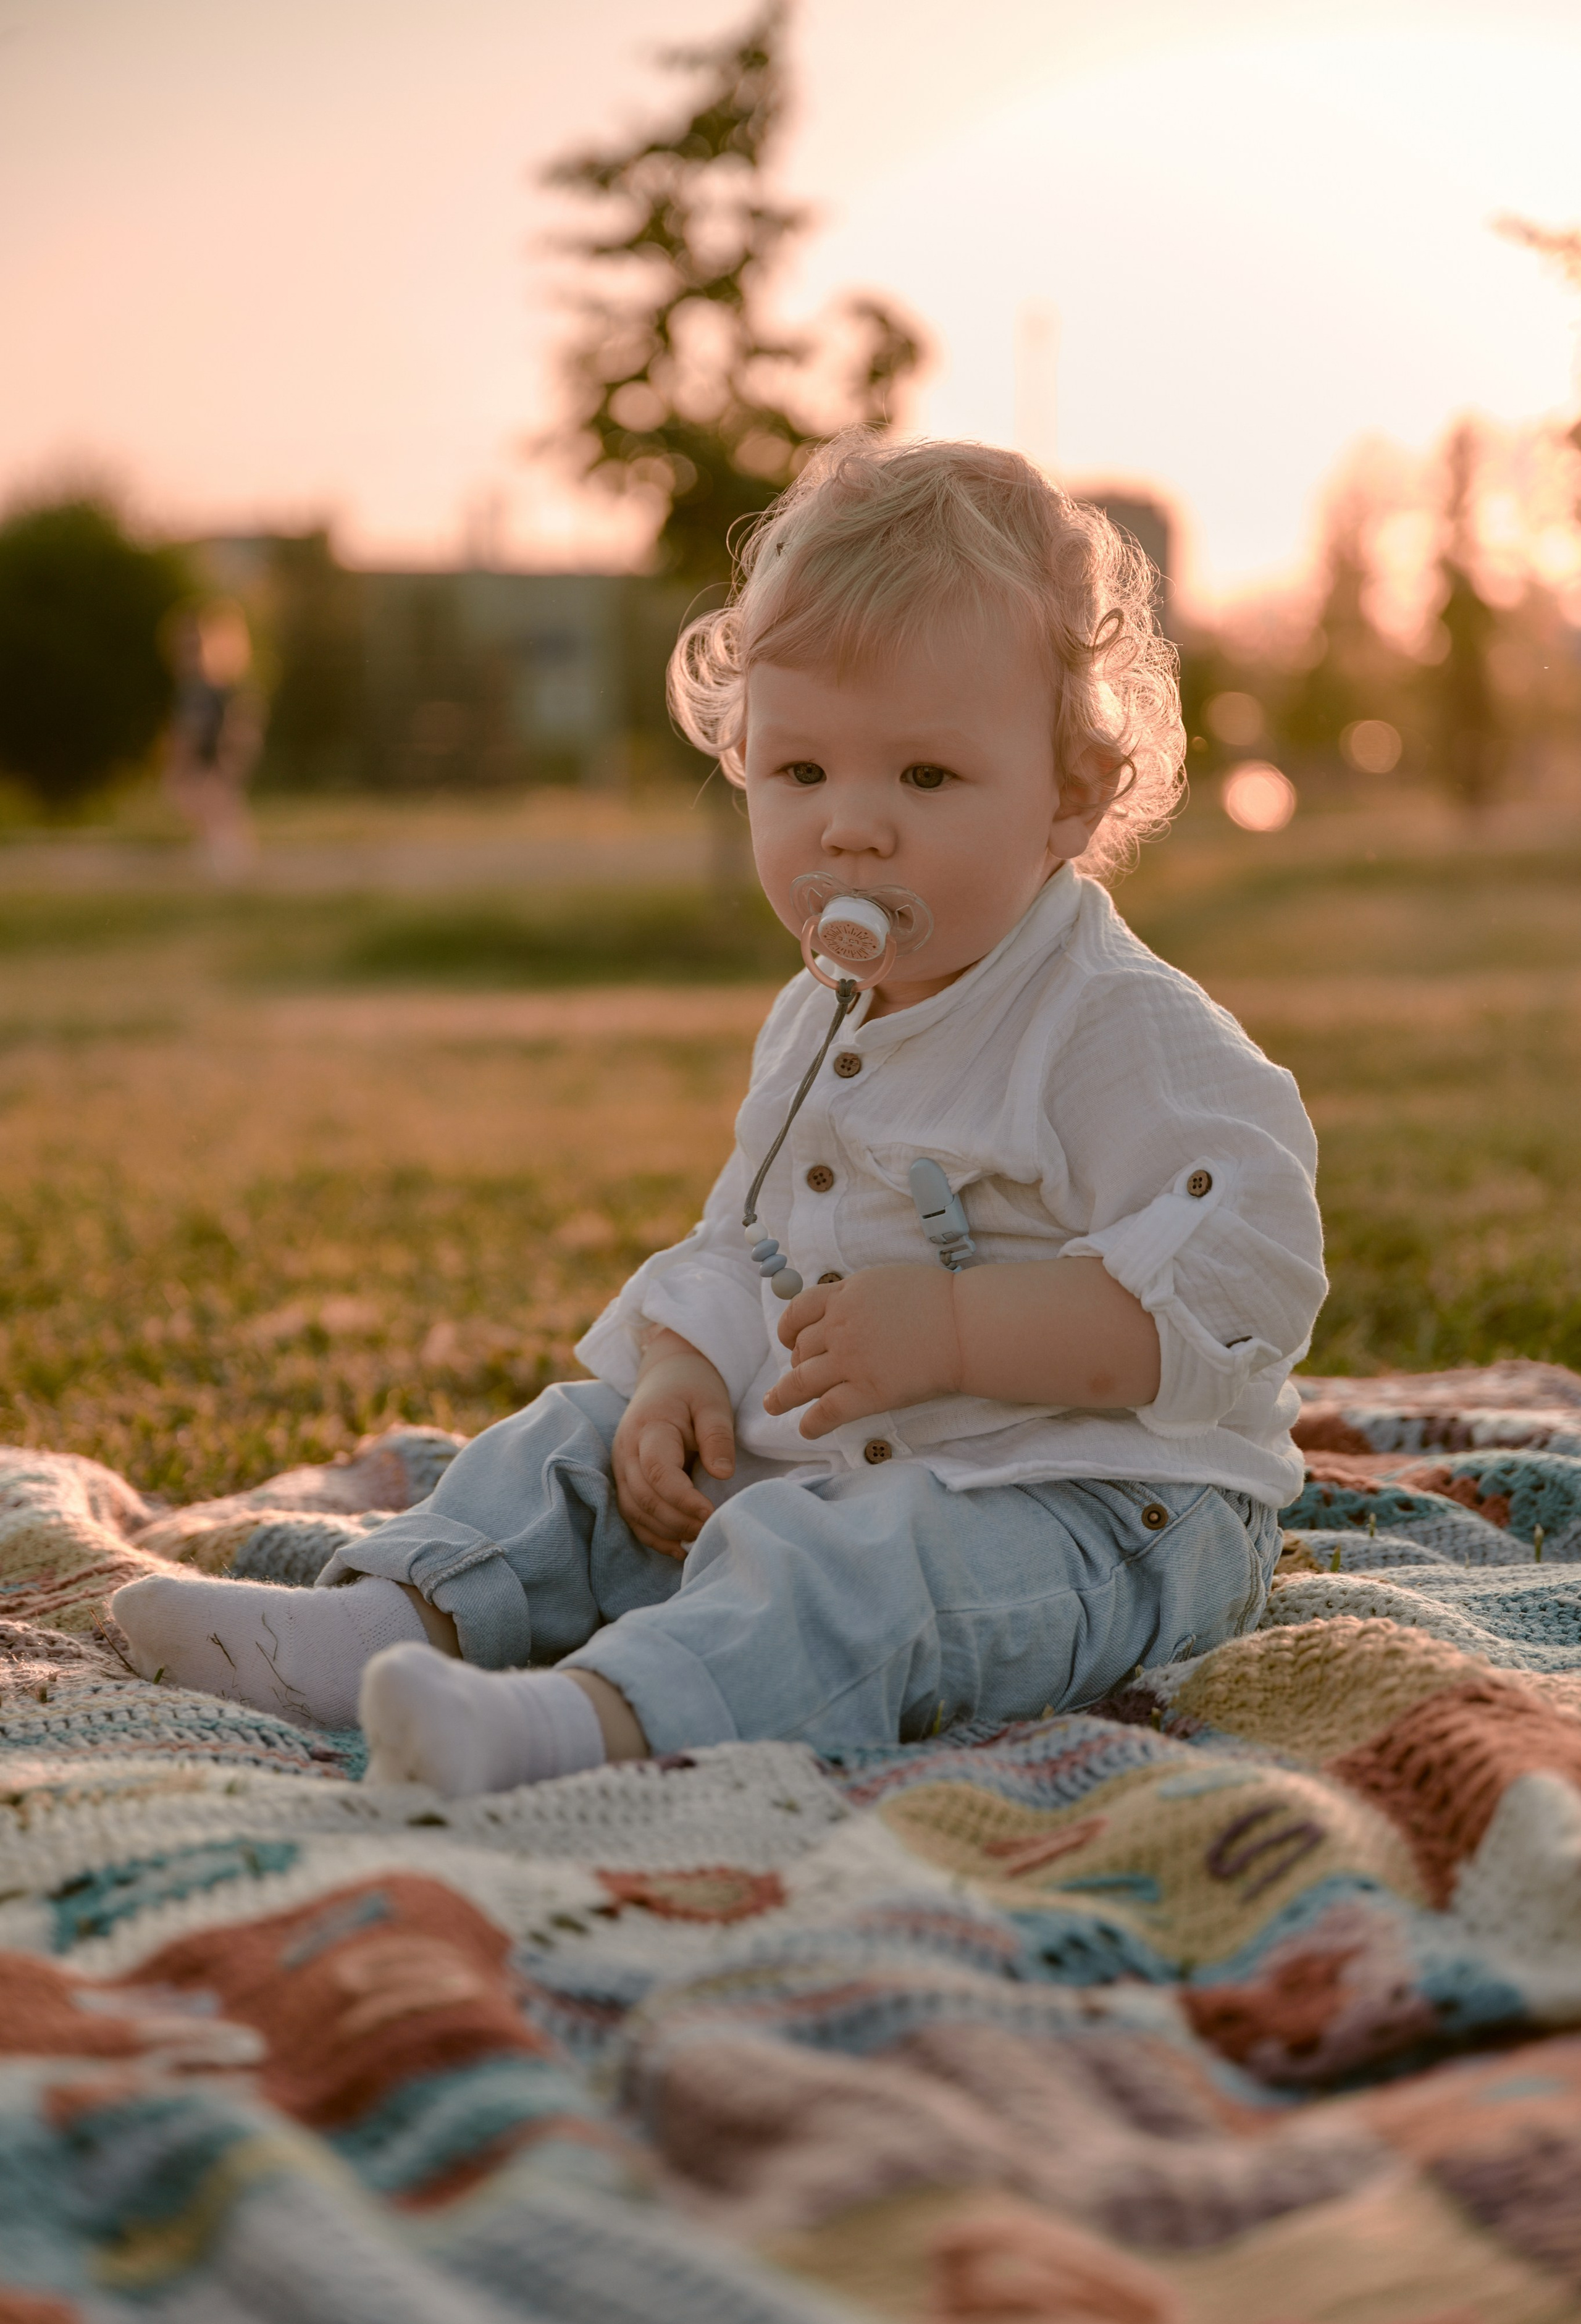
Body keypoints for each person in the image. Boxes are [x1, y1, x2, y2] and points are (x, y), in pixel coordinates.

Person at [112, 437, 1325, 1794]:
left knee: (861, 1578)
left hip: (1099, 1503)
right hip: (855, 1458)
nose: (850, 829)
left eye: (923, 779)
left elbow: (1247, 1272)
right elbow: (755, 1237)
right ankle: (382, 1623)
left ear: (1070, 795)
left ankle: (581, 1725)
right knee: (583, 1439)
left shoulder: (1110, 1028)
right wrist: (686, 1367)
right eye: (800, 774)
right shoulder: (820, 1013)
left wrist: (966, 1328)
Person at [162, 598, 263, 881]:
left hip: (210, 759)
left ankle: (230, 863)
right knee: (215, 810)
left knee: (216, 808)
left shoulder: (207, 691)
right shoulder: (201, 689)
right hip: (210, 759)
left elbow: (198, 731)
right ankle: (226, 859)